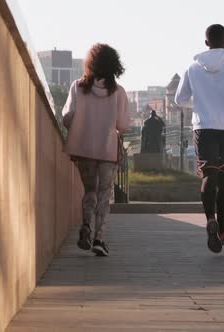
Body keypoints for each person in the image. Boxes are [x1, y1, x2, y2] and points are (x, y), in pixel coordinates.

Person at [175, 24, 224, 253]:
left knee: (209, 174)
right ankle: (221, 232)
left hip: (204, 127)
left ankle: (210, 218)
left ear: (206, 42)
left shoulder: (192, 67)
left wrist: (199, 104)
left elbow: (180, 99)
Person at [62, 43, 130, 257]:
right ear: (114, 65)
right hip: (108, 150)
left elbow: (67, 117)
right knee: (104, 194)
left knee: (90, 190)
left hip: (84, 149)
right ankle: (99, 238)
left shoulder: (77, 87)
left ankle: (85, 226)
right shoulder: (118, 92)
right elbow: (123, 125)